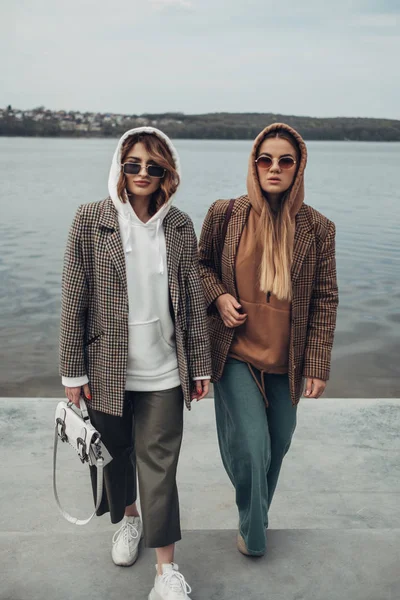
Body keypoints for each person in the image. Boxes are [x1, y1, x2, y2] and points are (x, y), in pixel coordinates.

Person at [60, 127, 211, 600]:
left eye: (154, 166)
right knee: (115, 458)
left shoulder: (181, 225)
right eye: (134, 164)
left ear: (168, 173)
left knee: (160, 466)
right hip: (107, 371)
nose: (143, 173)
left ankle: (165, 570)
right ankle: (128, 521)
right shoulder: (89, 220)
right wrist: (72, 372)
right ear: (119, 167)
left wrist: (200, 365)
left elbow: (192, 295)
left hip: (166, 370)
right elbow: (73, 300)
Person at [198, 122, 338, 557]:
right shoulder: (225, 213)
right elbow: (198, 267)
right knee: (252, 445)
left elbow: (325, 297)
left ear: (298, 169)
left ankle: (255, 513)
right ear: (254, 164)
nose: (274, 167)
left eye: (285, 160)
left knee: (278, 445)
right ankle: (253, 530)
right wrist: (219, 296)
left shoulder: (318, 228)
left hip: (287, 360)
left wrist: (317, 364)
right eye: (265, 159)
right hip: (236, 353)